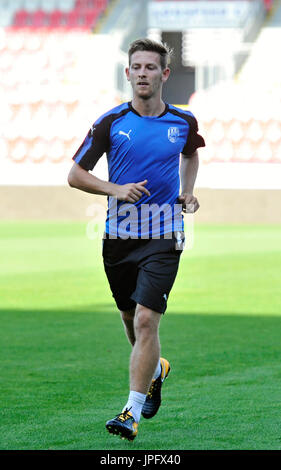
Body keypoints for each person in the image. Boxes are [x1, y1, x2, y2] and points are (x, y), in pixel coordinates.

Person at [68, 38, 205, 441]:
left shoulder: (183, 121)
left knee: (147, 319)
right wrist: (116, 189)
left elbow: (191, 153)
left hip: (164, 233)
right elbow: (75, 175)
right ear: (128, 74)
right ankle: (156, 368)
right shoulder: (111, 122)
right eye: (136, 67)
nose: (143, 73)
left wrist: (187, 190)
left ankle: (130, 413)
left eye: (151, 67)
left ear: (164, 74)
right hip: (119, 237)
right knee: (132, 322)